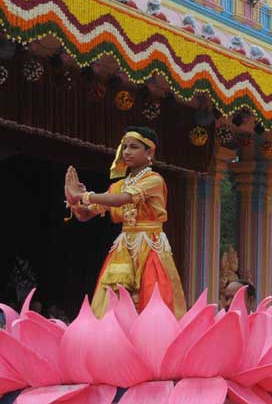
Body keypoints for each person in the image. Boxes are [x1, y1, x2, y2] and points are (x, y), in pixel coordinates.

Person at [64, 127, 187, 318]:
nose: (126, 152)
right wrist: (74, 201)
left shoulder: (153, 180)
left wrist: (84, 195)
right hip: (124, 246)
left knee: (150, 297)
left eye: (134, 147)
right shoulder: (119, 185)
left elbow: (121, 199)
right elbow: (85, 215)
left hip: (150, 246)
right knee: (111, 299)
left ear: (149, 152)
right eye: (124, 147)